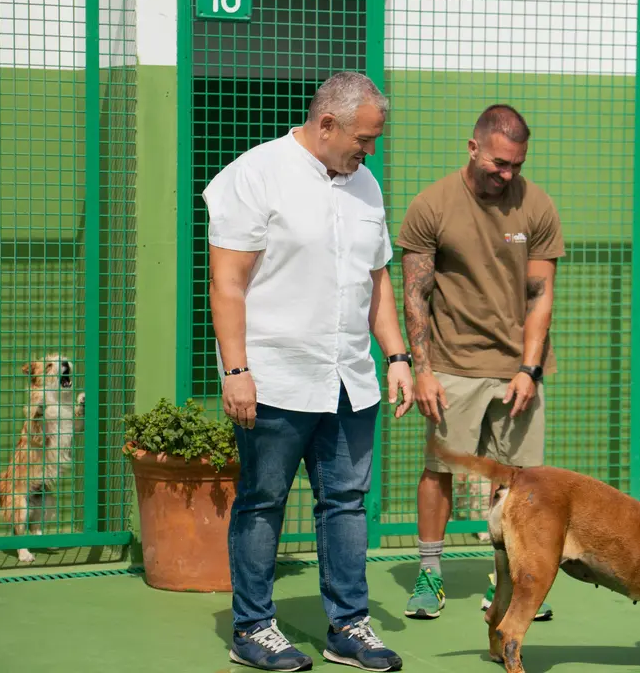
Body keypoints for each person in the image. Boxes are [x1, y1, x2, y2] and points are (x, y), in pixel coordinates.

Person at [204, 71, 414, 673]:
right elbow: (227, 282)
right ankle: (253, 629)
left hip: (350, 377)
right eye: (364, 138)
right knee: (263, 500)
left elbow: (377, 280)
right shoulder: (255, 174)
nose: (368, 150)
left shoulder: (365, 185)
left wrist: (396, 357)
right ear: (327, 123)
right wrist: (236, 369)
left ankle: (348, 625)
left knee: (346, 502)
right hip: (275, 376)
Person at [396, 104, 565, 622]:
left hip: (517, 369)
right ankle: (430, 575)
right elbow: (414, 295)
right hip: (451, 366)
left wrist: (529, 370)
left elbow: (541, 296)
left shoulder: (536, 206)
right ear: (473, 148)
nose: (507, 173)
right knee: (439, 471)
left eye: (516, 164)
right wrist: (423, 370)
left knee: (517, 481)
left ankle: (509, 582)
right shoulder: (431, 205)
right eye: (498, 162)